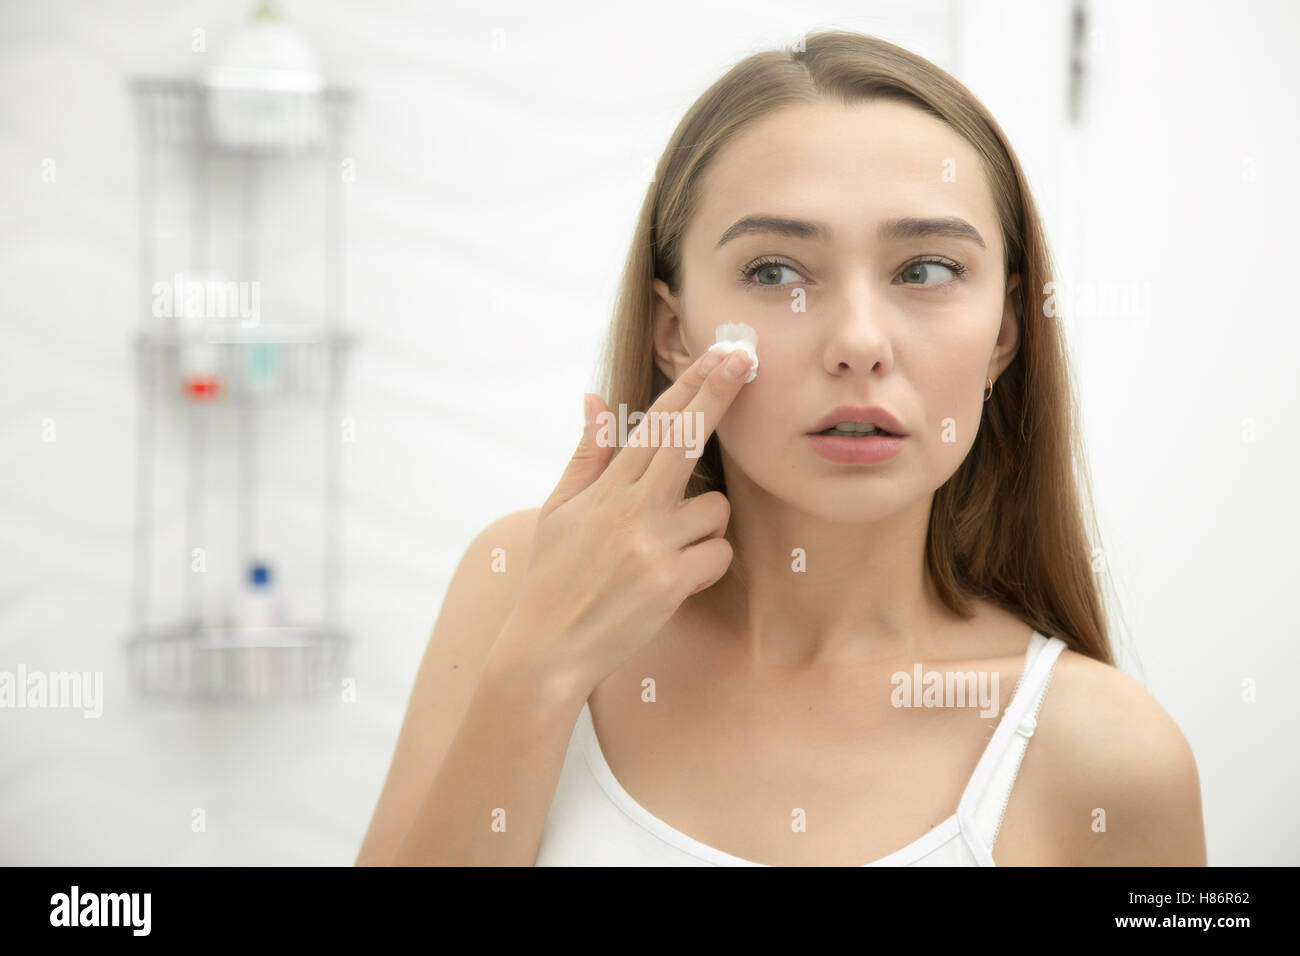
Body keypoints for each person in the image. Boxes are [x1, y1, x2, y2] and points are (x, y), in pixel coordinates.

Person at [356, 30, 1206, 866]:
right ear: (674, 334)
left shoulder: (1112, 757)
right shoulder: (519, 583)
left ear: (1005, 336)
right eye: (775, 273)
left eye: (926, 270)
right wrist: (539, 672)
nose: (859, 342)